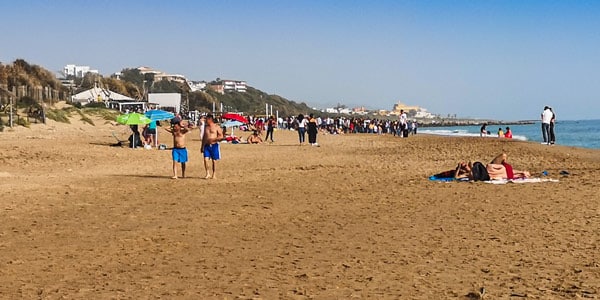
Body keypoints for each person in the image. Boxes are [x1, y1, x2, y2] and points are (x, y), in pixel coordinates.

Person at [201, 114, 224, 179]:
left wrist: (214, 139)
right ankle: (207, 173)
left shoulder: (216, 127)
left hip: (214, 145)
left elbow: (221, 136)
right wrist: (202, 146)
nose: (206, 121)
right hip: (207, 145)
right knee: (205, 159)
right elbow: (204, 137)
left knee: (214, 160)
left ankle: (214, 173)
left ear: (210, 119)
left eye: (207, 119)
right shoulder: (206, 127)